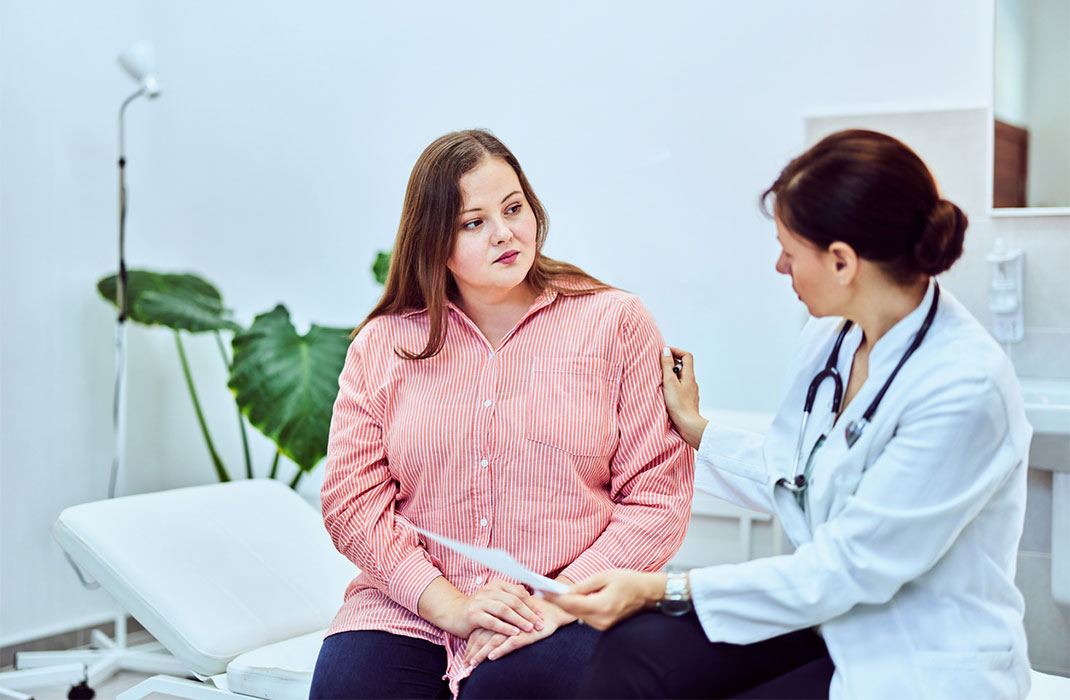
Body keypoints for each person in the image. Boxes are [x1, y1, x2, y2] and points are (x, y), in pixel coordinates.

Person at [549, 129, 1033, 699]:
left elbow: (846, 566)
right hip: (835, 618)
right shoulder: (830, 339)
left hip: (914, 650)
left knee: (662, 633)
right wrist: (694, 429)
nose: (780, 266)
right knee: (637, 651)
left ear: (842, 261)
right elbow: (800, 473)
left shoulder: (964, 388)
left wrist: (658, 588)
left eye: (788, 249)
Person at [309, 129, 694, 700]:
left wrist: (555, 603)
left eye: (514, 208)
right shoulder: (383, 345)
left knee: (514, 689)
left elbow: (656, 501)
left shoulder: (616, 322)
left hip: (564, 605)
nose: (505, 233)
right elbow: (352, 501)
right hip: (409, 607)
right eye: (473, 222)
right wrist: (452, 606)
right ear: (433, 240)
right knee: (350, 688)